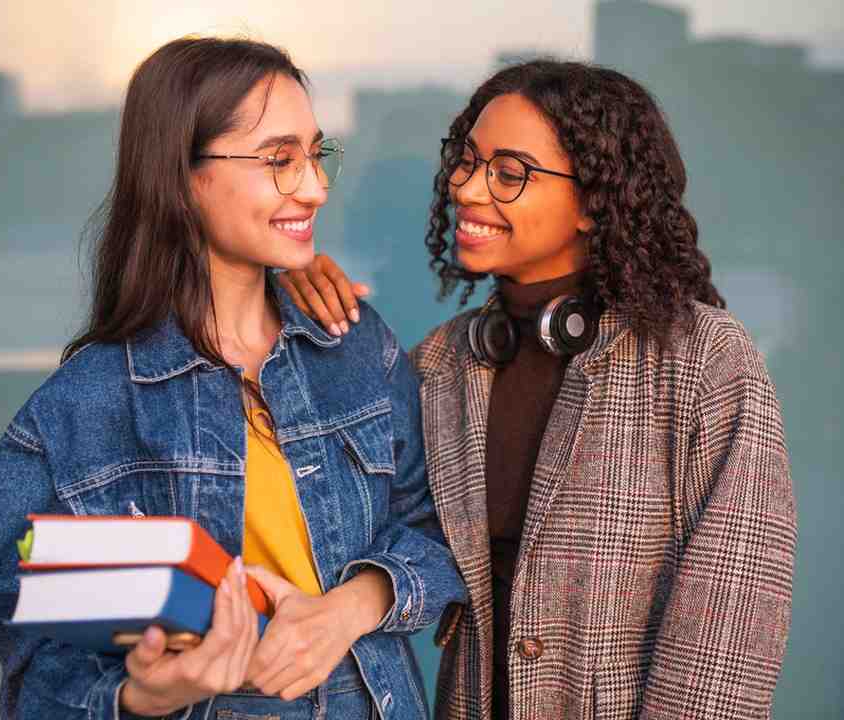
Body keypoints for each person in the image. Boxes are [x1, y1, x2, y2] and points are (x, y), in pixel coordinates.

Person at [279, 59, 796, 720]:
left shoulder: (703, 359)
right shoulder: (441, 364)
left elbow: (732, 626)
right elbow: (332, 508)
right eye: (467, 162)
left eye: (509, 173)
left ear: (593, 203)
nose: (467, 188)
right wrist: (280, 288)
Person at [0, 36, 465, 720]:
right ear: (182, 176)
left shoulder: (355, 345)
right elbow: (37, 675)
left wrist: (348, 608)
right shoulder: (74, 414)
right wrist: (147, 693)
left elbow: (441, 529)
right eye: (279, 160)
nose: (316, 187)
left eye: (316, 154)